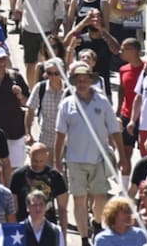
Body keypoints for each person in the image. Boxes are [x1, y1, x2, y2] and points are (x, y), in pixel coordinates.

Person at [54, 63, 120, 246]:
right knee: (79, 199)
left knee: (101, 197)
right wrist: (57, 160)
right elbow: (60, 134)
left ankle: (97, 223)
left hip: (99, 157)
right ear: (74, 82)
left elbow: (114, 129)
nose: (82, 82)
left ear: (91, 80)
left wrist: (122, 155)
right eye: (78, 79)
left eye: (85, 79)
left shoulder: (102, 101)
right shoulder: (66, 104)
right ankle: (84, 238)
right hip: (75, 159)